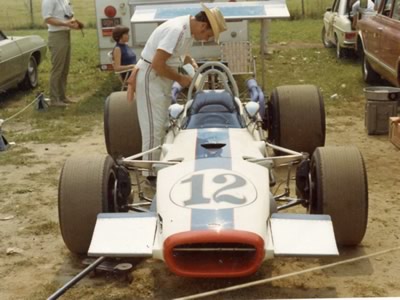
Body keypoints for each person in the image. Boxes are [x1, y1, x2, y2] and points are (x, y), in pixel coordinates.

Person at [127, 3, 226, 178]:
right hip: (152, 78)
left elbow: (176, 53)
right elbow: (158, 64)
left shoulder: (186, 31)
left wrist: (190, 61)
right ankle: (150, 174)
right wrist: (181, 79)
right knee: (153, 128)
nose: (205, 38)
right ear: (203, 25)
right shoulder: (177, 30)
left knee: (163, 123)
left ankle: (159, 166)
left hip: (160, 79)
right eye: (208, 34)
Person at [41, 0, 83, 107]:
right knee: (57, 68)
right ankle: (54, 99)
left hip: (66, 34)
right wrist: (65, 23)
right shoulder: (48, 1)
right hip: (56, 36)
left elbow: (69, 16)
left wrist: (75, 23)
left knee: (65, 68)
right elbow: (47, 19)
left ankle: (62, 96)